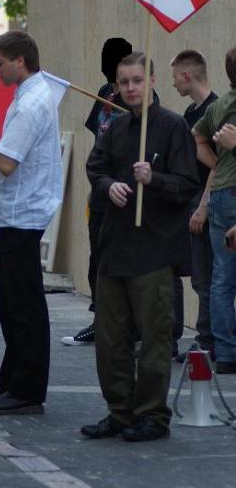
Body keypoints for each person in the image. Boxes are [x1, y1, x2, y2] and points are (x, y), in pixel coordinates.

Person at [83, 52, 199, 442]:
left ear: (151, 81)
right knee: (110, 338)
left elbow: (187, 184)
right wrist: (107, 186)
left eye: (137, 81)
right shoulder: (114, 128)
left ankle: (152, 415)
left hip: (154, 249)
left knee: (154, 339)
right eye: (124, 82)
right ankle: (119, 411)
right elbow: (94, 168)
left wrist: (155, 178)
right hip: (114, 247)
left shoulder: (173, 127)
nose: (130, 88)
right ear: (116, 85)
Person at [0, 31, 63, 415]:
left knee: (21, 304)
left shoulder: (31, 102)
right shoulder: (32, 96)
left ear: (20, 60)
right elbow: (12, 153)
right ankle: (13, 382)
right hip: (21, 210)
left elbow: (5, 162)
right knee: (11, 301)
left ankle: (25, 388)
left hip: (24, 212)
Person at [62, 37, 131, 346]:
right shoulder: (105, 93)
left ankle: (126, 324)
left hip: (123, 189)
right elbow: (97, 132)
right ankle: (100, 318)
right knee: (98, 258)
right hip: (101, 188)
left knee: (121, 258)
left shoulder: (136, 97)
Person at [171, 50, 217, 359]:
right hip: (191, 201)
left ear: (187, 75)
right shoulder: (191, 111)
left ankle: (208, 340)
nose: (173, 83)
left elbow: (219, 165)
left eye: (175, 76)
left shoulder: (214, 110)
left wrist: (203, 206)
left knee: (207, 277)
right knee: (201, 275)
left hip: (207, 201)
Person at [192, 46, 236, 374]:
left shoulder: (221, 104)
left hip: (220, 193)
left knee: (222, 276)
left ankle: (226, 352)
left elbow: (197, 135)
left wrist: (218, 164)